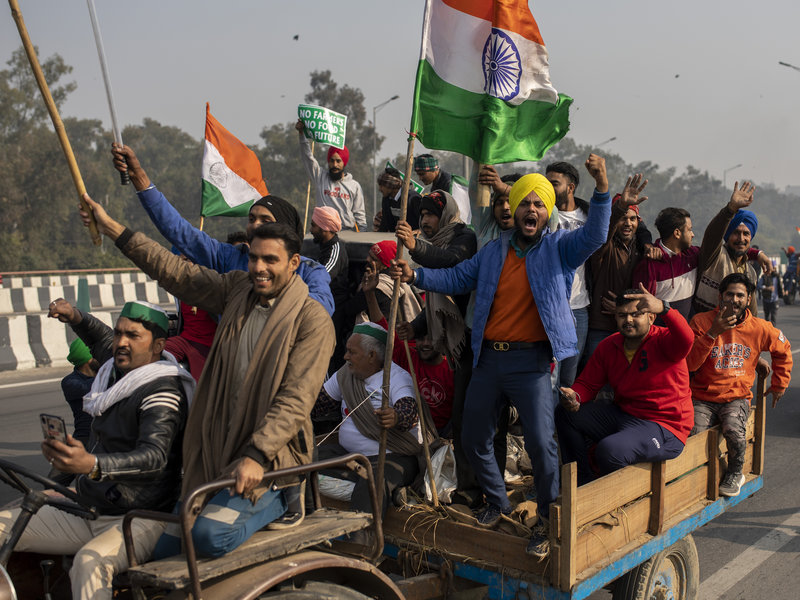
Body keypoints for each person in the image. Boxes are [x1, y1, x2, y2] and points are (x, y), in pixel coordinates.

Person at [79, 195, 335, 557]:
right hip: (218, 451)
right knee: (164, 547)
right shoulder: (237, 290)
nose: (259, 267)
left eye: (270, 260)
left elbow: (295, 399)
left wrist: (257, 455)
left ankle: (286, 500)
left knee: (207, 537)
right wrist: (112, 229)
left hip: (272, 462)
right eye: (254, 258)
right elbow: (174, 271)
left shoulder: (311, 319)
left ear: (294, 263)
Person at [391, 155, 612, 559]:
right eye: (525, 202)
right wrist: (417, 274)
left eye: (538, 204)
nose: (530, 210)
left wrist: (601, 188)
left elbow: (596, 236)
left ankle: (547, 518)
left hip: (531, 364)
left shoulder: (561, 249)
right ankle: (498, 500)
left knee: (541, 445)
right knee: (473, 436)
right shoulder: (493, 251)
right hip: (489, 359)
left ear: (547, 214)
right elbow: (458, 277)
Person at [1, 299, 194, 600]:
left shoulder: (163, 390)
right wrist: (74, 315)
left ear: (157, 346)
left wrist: (91, 464)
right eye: (119, 333)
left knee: (88, 563)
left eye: (133, 336)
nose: (121, 343)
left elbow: (154, 457)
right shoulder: (116, 370)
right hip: (90, 508)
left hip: (140, 517)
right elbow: (99, 338)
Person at [110, 144, 334, 315]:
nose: (255, 226)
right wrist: (139, 178)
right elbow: (178, 231)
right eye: (252, 219)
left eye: (265, 221)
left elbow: (322, 308)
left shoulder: (310, 271)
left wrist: (266, 297)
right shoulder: (229, 257)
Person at [555, 285, 693, 485]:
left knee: (610, 450)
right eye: (622, 315)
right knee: (565, 414)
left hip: (665, 426)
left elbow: (687, 338)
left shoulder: (666, 341)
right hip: (626, 416)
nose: (628, 320)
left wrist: (664, 308)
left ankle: (619, 502)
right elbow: (587, 384)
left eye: (636, 314)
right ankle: (581, 483)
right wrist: (574, 396)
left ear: (651, 317)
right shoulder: (609, 346)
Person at [687, 273, 792, 497]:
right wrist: (713, 333)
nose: (734, 300)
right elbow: (690, 364)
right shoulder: (701, 322)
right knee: (692, 434)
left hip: (736, 398)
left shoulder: (760, 327)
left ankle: (735, 472)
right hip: (702, 398)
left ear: (749, 298)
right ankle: (694, 480)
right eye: (730, 294)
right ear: (720, 296)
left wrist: (779, 383)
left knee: (734, 431)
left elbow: (783, 349)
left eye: (740, 296)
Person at [313, 322, 432, 514]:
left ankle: (362, 540)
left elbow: (409, 412)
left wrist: (395, 417)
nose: (346, 357)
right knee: (305, 459)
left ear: (371, 356)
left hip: (393, 458)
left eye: (352, 352)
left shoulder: (397, 377)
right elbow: (318, 405)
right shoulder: (345, 374)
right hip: (350, 455)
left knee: (373, 482)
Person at [362, 270, 454, 433]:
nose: (425, 344)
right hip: (411, 434)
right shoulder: (408, 357)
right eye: (420, 339)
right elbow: (383, 327)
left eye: (430, 339)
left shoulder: (453, 370)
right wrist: (370, 294)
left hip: (443, 437)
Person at [396, 190, 477, 361]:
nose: (425, 220)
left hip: (471, 337)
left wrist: (415, 246)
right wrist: (415, 327)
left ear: (446, 215)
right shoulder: (438, 243)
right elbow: (438, 299)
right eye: (423, 215)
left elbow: (450, 262)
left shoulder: (465, 237)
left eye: (431, 215)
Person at [585, 174, 653, 358]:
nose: (628, 223)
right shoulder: (603, 247)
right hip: (601, 328)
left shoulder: (642, 249)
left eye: (632, 219)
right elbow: (604, 230)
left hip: (633, 329)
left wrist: (624, 308)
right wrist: (620, 207)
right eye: (623, 218)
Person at [546, 161, 592, 387]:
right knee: (548, 377)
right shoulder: (541, 217)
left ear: (570, 187)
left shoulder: (589, 217)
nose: (548, 188)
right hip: (551, 308)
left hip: (579, 308)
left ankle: (562, 423)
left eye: (554, 183)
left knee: (568, 380)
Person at [694, 182, 766, 316]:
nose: (741, 238)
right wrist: (730, 209)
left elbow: (752, 315)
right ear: (727, 235)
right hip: (704, 331)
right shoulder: (714, 256)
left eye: (746, 234)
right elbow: (712, 235)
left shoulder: (751, 273)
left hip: (735, 335)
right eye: (736, 232)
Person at [296, 120, 366, 231]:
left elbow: (360, 216)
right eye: (332, 161)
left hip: (347, 233)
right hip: (323, 232)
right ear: (328, 161)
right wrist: (302, 134)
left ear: (344, 163)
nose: (335, 165)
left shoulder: (354, 186)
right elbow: (308, 158)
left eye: (338, 161)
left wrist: (361, 238)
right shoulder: (320, 177)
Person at [413, 153, 471, 224]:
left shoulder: (449, 184)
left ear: (434, 170)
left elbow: (453, 214)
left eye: (422, 174)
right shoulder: (436, 185)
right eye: (418, 175)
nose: (420, 178)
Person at [376, 166, 422, 232]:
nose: (379, 189)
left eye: (382, 185)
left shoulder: (413, 199)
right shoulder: (386, 200)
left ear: (391, 185)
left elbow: (423, 224)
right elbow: (385, 225)